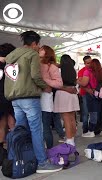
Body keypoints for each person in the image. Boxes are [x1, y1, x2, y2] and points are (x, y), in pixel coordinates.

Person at [4, 31, 62, 173]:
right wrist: (45, 86)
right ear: (34, 43)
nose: (38, 47)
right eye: (38, 44)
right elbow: (35, 75)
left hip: (14, 98)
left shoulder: (12, 56)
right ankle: (42, 163)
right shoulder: (32, 54)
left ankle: (20, 159)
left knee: (20, 130)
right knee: (36, 130)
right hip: (29, 97)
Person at [39, 45, 64, 149]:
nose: (39, 50)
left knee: (45, 126)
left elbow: (59, 83)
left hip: (45, 99)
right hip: (34, 98)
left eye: (41, 49)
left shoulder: (52, 67)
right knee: (38, 126)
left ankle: (49, 149)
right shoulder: (34, 63)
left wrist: (44, 81)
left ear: (46, 53)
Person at [53, 54, 79, 146]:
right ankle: (72, 137)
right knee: (72, 118)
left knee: (66, 118)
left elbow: (57, 84)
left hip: (63, 94)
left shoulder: (59, 71)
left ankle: (69, 139)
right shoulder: (73, 70)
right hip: (72, 94)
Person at [77, 59, 102, 137]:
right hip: (101, 95)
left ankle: (91, 130)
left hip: (91, 94)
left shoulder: (88, 72)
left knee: (93, 112)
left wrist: (78, 81)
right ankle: (101, 129)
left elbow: (84, 83)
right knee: (99, 112)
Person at [0, 43, 16, 165]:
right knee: (13, 124)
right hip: (11, 97)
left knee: (2, 124)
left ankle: (2, 152)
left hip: (1, 98)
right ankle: (15, 149)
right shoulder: (13, 66)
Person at [78, 56, 92, 133]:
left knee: (94, 112)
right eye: (87, 63)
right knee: (86, 112)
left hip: (93, 93)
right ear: (84, 63)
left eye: (91, 62)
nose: (90, 64)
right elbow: (81, 83)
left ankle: (93, 128)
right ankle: (85, 128)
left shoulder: (95, 69)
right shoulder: (81, 71)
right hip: (84, 93)